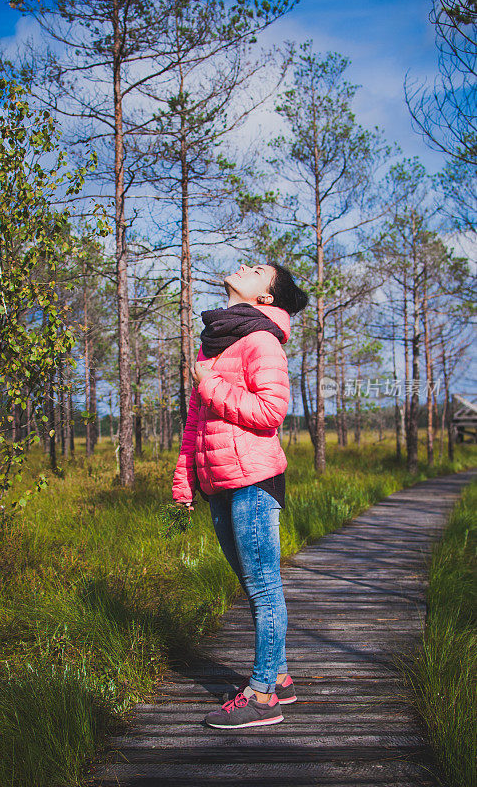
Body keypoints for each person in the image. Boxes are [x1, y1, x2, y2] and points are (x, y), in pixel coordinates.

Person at [172, 261, 308, 729]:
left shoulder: (261, 341)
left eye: (258, 270)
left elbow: (271, 412)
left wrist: (207, 382)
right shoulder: (218, 343)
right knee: (255, 585)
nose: (246, 266)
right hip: (218, 483)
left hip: (252, 481)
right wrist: (183, 478)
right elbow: (197, 423)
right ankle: (281, 676)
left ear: (265, 299)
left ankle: (263, 695)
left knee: (264, 585)